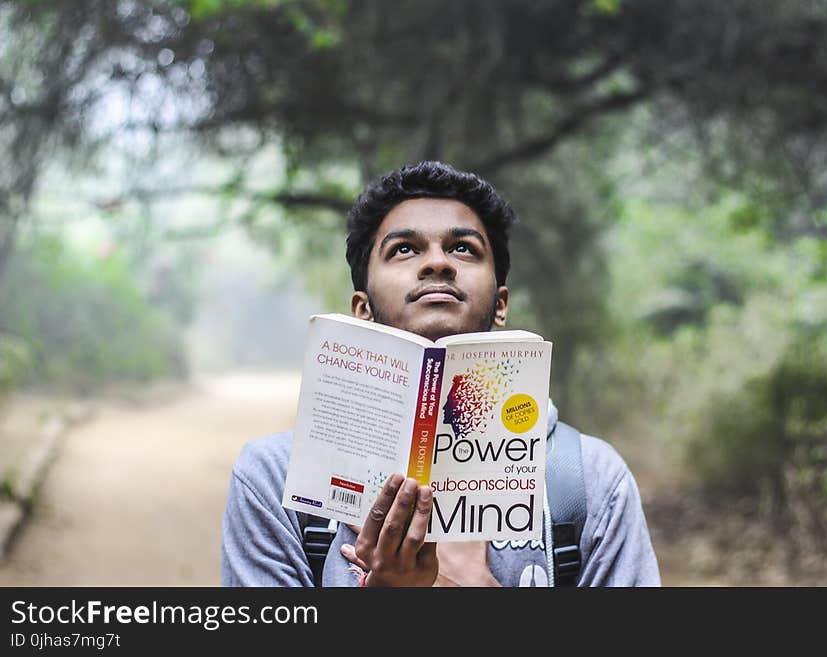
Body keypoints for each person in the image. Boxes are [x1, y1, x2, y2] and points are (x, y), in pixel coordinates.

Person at [221, 161, 661, 587]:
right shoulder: (276, 481)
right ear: (362, 311)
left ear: (501, 304)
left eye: (463, 248)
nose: (438, 263)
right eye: (404, 249)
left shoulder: (591, 480)